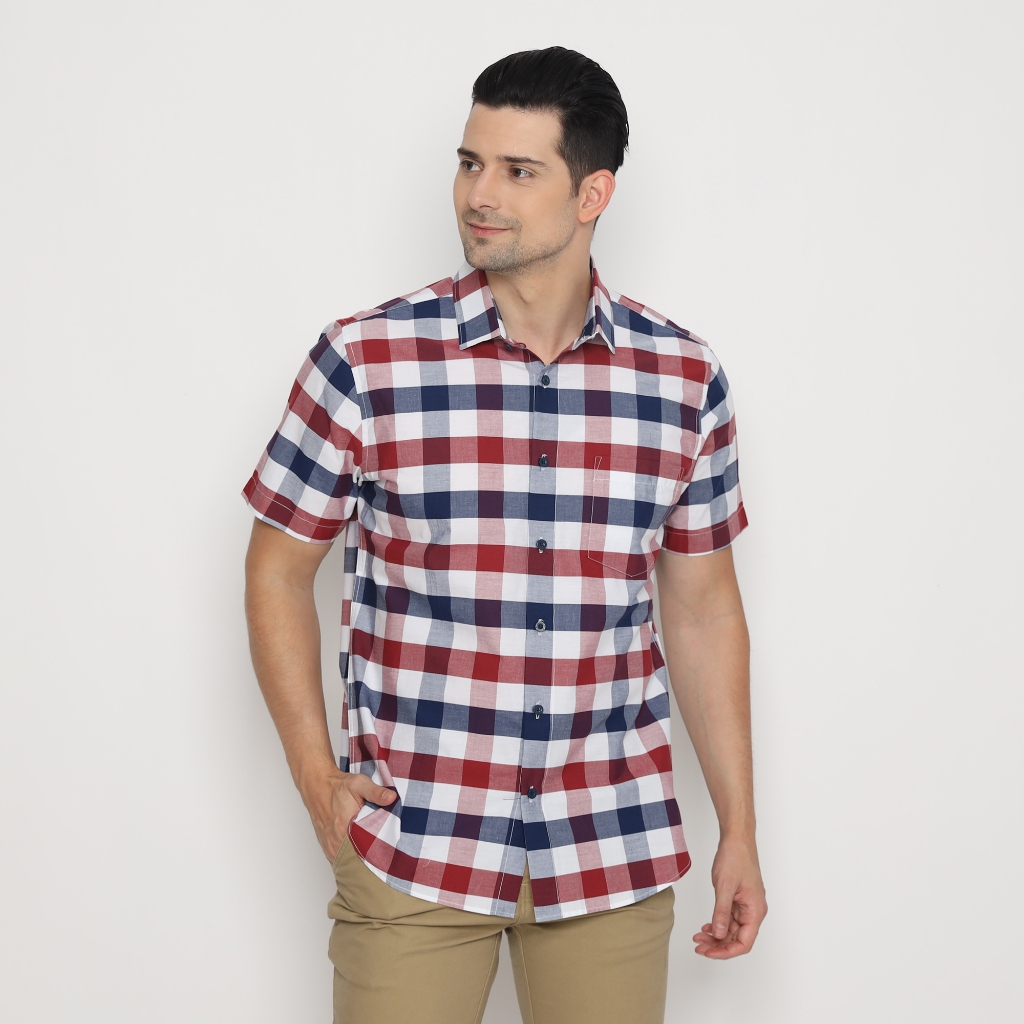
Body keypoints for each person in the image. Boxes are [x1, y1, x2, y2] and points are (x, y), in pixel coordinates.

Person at [243, 46, 767, 1024]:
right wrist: (318, 780)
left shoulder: (683, 380)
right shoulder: (366, 360)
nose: (478, 195)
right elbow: (276, 570)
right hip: (416, 846)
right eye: (469, 162)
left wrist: (739, 826)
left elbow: (703, 610)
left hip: (608, 846)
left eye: (518, 170)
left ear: (592, 193)